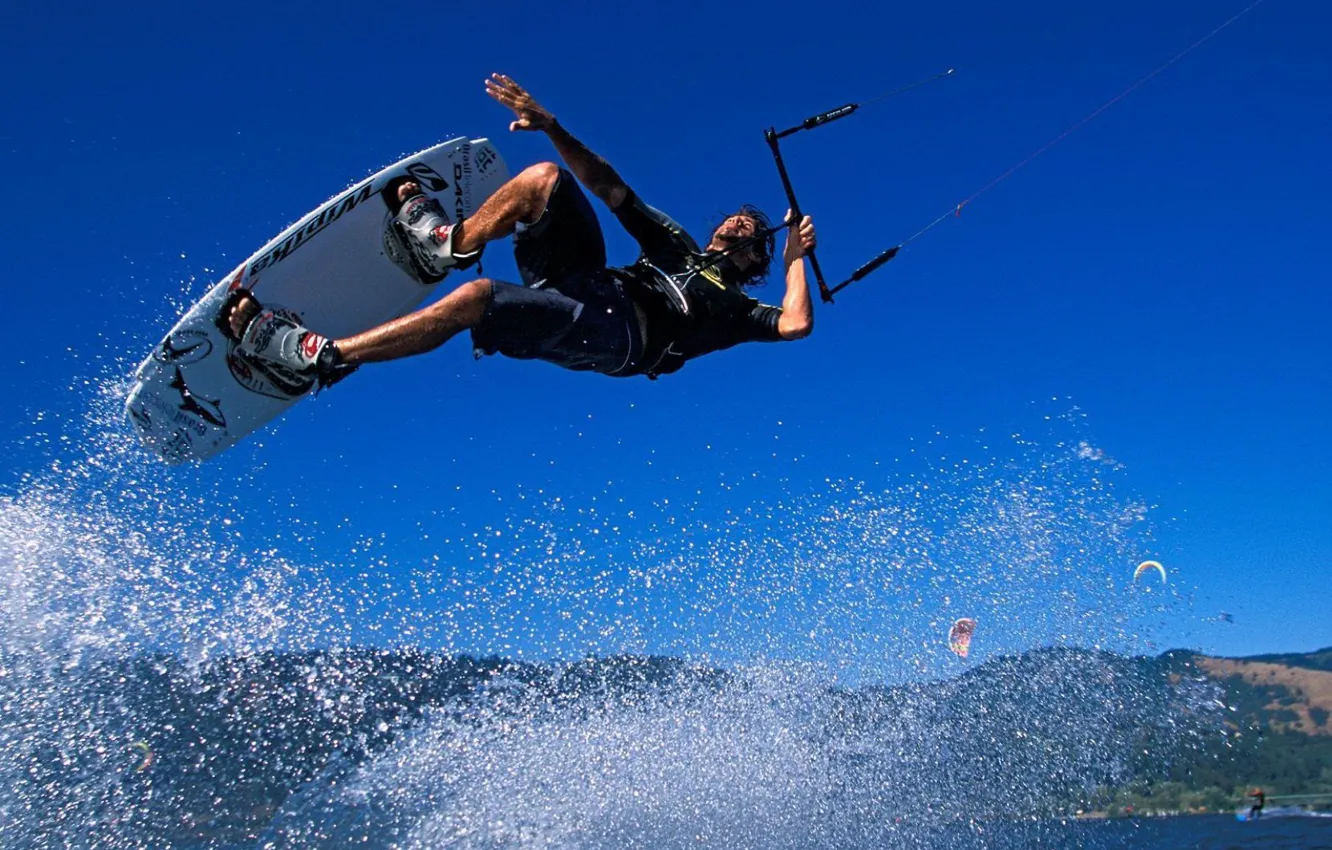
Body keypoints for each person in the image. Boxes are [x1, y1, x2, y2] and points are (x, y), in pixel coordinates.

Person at [222, 74, 818, 391]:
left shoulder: (738, 309)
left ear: (754, 261)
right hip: (589, 283)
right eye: (734, 218)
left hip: (620, 337)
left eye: (750, 232)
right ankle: (448, 246)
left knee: (478, 300)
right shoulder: (676, 245)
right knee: (543, 179)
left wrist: (795, 257)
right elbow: (610, 187)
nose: (737, 224)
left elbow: (794, 325)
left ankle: (321, 356)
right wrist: (553, 126)